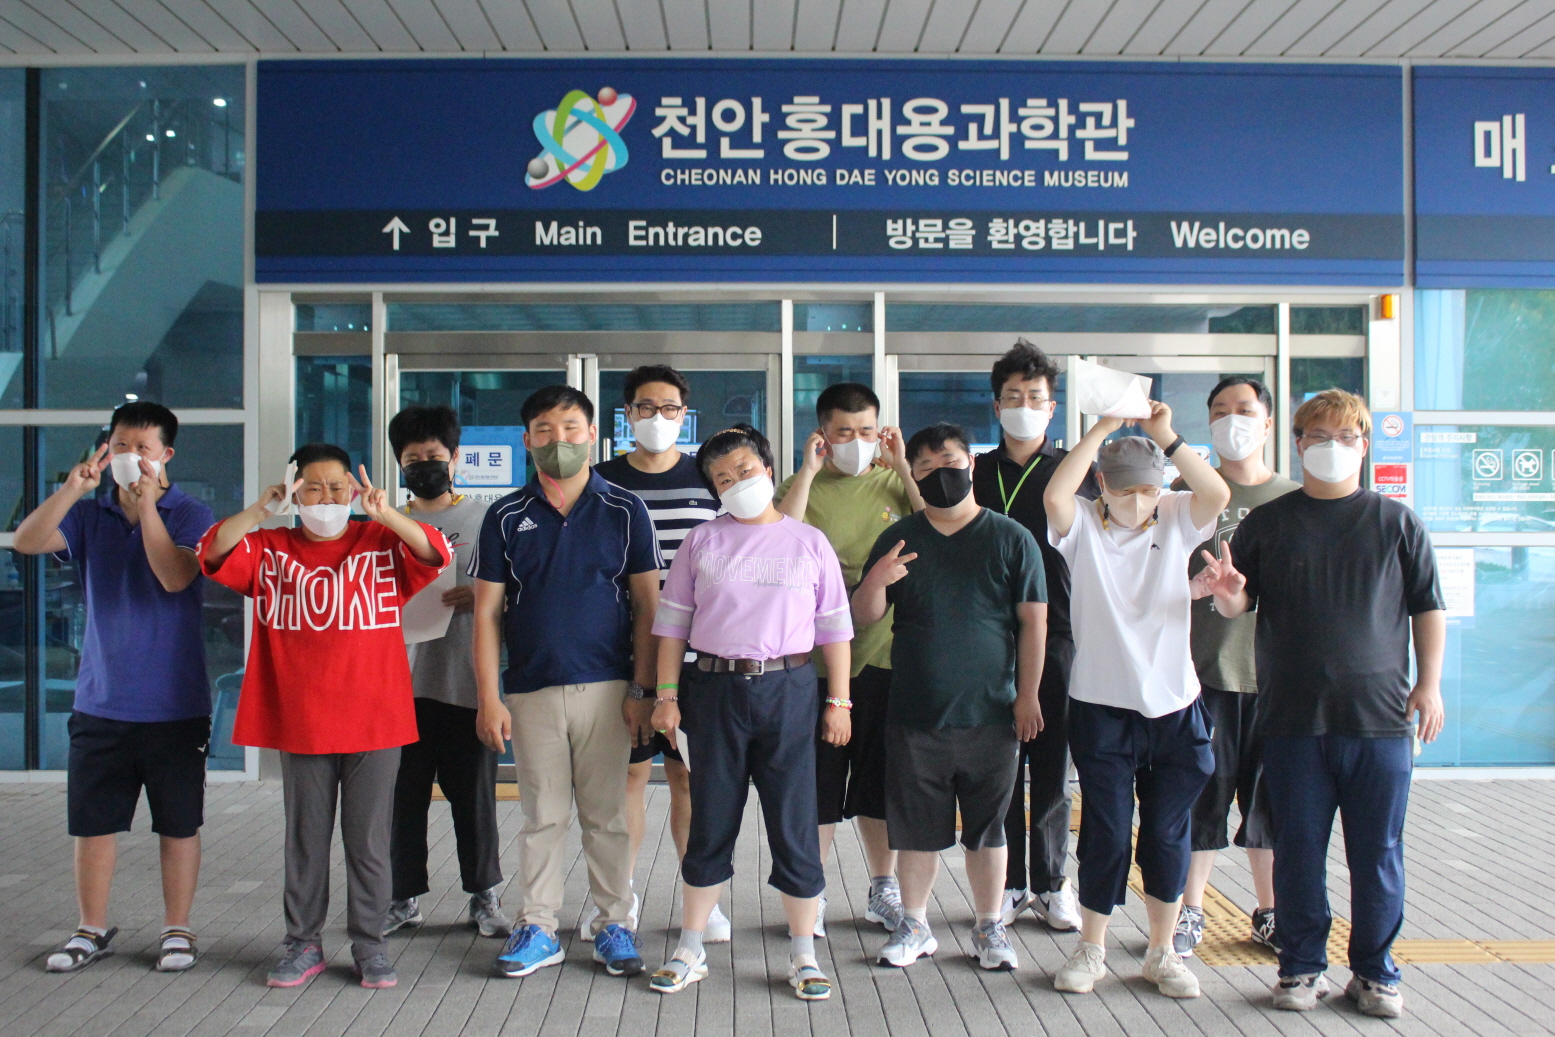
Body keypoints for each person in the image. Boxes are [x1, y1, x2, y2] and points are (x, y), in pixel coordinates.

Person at [1195, 389, 1445, 1020]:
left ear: (1364, 445)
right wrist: (1225, 593)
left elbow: (1427, 607)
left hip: (1380, 722)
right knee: (1298, 852)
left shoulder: (1397, 524)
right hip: (1292, 721)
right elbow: (1239, 602)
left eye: (1345, 437)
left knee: (1377, 854)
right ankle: (1301, 967)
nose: (1332, 447)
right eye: (1319, 436)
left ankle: (1375, 973)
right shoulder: (1269, 522)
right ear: (1298, 443)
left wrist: (1430, 684)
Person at [200, 443, 451, 991]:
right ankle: (302, 942)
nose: (327, 498)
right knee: (306, 840)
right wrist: (260, 510)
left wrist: (386, 513)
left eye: (338, 487)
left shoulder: (379, 541)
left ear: (354, 492)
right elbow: (213, 552)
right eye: (313, 488)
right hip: (302, 720)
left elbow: (434, 552)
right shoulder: (270, 547)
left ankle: (370, 945)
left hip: (375, 719)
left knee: (369, 840)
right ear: (294, 492)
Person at [647, 424, 852, 1001]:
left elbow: (835, 630)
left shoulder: (810, 542)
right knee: (710, 817)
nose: (736, 483)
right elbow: (672, 626)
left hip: (790, 689)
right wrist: (666, 695)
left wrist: (839, 701)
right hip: (713, 691)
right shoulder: (701, 542)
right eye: (722, 478)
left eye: (744, 470)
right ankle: (690, 947)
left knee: (795, 821)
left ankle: (804, 954)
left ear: (769, 469)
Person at [14, 402, 215, 974]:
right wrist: (72, 490)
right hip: (101, 700)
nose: (130, 457)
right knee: (94, 823)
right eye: (120, 446)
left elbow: (175, 576)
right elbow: (27, 541)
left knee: (178, 823)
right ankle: (90, 928)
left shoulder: (190, 513)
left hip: (175, 703)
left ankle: (177, 929)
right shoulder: (89, 514)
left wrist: (147, 505)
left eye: (142, 448)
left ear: (166, 455)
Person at [472, 385, 661, 981]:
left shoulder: (624, 509)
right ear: (526, 440)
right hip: (530, 690)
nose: (559, 441)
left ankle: (614, 925)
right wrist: (489, 697)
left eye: (571, 428)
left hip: (609, 690)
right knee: (542, 816)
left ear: (593, 434)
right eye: (545, 431)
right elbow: (486, 614)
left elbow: (648, 607)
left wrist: (643, 691)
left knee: (607, 817)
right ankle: (538, 927)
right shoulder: (505, 515)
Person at [1043, 402, 1229, 1000]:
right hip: (1101, 704)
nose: (1139, 500)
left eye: (1149, 489)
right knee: (1105, 827)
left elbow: (1217, 493)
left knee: (1167, 832)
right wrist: (1101, 427)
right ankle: (1091, 947)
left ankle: (1161, 952)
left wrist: (1163, 436)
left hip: (1174, 704)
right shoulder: (1082, 524)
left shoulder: (1175, 515)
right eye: (1126, 490)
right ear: (1102, 484)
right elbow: (1055, 495)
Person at [853, 422, 1047, 972]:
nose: (942, 474)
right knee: (916, 829)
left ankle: (989, 927)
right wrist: (877, 580)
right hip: (915, 713)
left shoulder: (1011, 537)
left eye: (951, 463)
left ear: (971, 464)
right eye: (927, 468)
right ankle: (915, 924)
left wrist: (1028, 696)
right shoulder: (899, 537)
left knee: (989, 829)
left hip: (993, 713)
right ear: (912, 475)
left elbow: (1034, 623)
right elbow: (862, 615)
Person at [776, 381, 921, 938]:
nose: (856, 441)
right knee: (817, 781)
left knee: (879, 780)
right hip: (812, 660)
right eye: (844, 432)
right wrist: (808, 471)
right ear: (822, 434)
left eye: (866, 431)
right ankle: (811, 890)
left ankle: (883, 887)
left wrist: (903, 465)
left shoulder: (895, 482)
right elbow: (777, 539)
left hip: (884, 655)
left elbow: (937, 524)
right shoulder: (801, 485)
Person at [592, 365, 725, 942]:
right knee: (626, 775)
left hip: (697, 653)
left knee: (687, 778)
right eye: (645, 407)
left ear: (684, 415)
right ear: (628, 414)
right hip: (618, 649)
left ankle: (702, 897)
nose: (657, 418)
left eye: (669, 408)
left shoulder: (708, 477)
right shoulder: (601, 480)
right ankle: (618, 899)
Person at [970, 340, 1095, 935]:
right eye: (1013, 397)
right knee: (998, 765)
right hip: (987, 636)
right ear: (997, 407)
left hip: (1061, 631)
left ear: (1052, 407)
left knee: (1051, 762)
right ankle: (1009, 884)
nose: (1023, 406)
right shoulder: (974, 472)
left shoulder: (1075, 471)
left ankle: (1050, 883)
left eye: (1035, 397)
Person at [1171, 377, 1297, 959]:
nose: (1232, 421)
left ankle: (1270, 913)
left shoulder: (1295, 499)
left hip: (1278, 681)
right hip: (1202, 675)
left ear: (1267, 422)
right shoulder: (1185, 493)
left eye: (1244, 410)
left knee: (1270, 805)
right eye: (1219, 411)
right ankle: (1190, 910)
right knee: (1203, 797)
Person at [382, 406, 510, 941]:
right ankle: (401, 897)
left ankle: (484, 895)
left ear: (455, 458)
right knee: (401, 798)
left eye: (434, 456)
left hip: (465, 682)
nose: (425, 466)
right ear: (400, 464)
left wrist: (483, 597)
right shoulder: (387, 523)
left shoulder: (489, 519)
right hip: (399, 687)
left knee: (474, 798)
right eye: (413, 459)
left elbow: (517, 591)